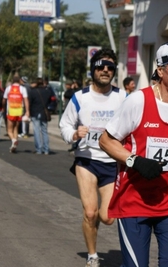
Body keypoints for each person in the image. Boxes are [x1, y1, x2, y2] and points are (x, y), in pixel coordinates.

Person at [99, 41, 168, 267]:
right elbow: (106, 141)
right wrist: (134, 160)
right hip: (134, 200)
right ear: (160, 71)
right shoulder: (138, 101)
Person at [60, 48, 126, 267]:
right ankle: (92, 255)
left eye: (110, 67)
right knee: (90, 212)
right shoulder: (80, 97)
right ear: (93, 70)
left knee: (107, 218)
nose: (105, 70)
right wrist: (74, 134)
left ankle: (94, 222)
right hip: (86, 160)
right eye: (100, 66)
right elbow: (65, 124)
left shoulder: (122, 97)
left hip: (112, 162)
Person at [29, 77, 56, 155]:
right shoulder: (48, 91)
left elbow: (30, 102)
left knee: (36, 130)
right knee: (44, 131)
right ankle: (46, 149)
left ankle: (39, 149)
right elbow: (52, 101)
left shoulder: (33, 92)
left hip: (35, 112)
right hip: (44, 113)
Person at [3, 75, 30, 153]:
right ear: (19, 81)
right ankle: (14, 146)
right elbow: (26, 100)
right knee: (16, 129)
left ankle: (13, 140)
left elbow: (4, 99)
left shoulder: (8, 88)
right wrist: (27, 111)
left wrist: (3, 107)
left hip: (10, 111)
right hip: (19, 112)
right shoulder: (22, 89)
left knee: (9, 130)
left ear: (12, 81)